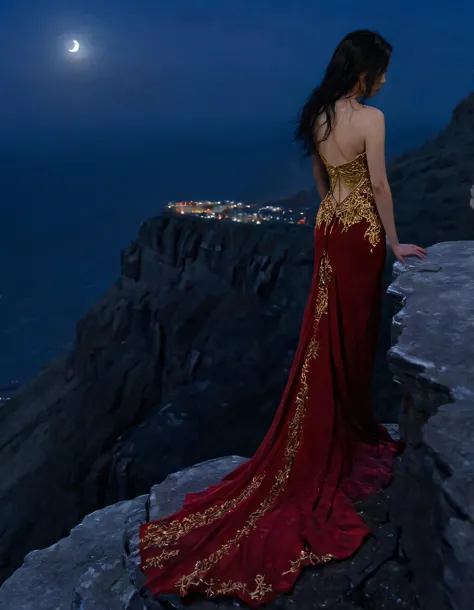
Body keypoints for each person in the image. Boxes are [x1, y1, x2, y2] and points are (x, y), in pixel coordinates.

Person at [139, 30, 426, 608]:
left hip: (329, 228)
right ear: (365, 70)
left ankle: (331, 421)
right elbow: (378, 184)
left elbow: (326, 185)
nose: (386, 80)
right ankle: (344, 427)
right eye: (383, 70)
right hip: (363, 234)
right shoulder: (371, 119)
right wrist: (395, 242)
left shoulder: (318, 113)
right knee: (354, 331)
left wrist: (333, 213)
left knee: (325, 330)